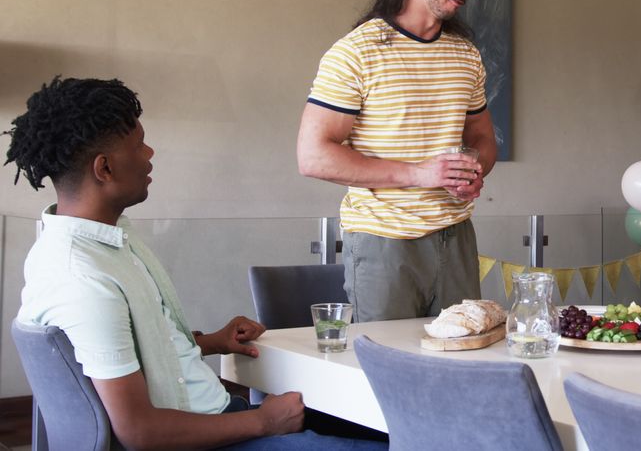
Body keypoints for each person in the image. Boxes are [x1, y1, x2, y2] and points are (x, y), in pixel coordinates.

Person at [7, 77, 384, 450]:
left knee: (386, 423)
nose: (150, 153)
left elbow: (132, 344)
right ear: (104, 169)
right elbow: (140, 432)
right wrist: (263, 421)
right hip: (202, 438)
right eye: (138, 145)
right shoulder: (82, 278)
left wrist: (211, 341)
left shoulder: (104, 242)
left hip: (217, 414)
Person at [297, 0, 496, 323]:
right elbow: (313, 156)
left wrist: (475, 169)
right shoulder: (356, 52)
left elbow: (482, 138)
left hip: (456, 238)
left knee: (463, 369)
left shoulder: (465, 55)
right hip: (382, 243)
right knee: (387, 375)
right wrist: (421, 174)